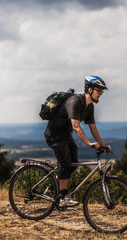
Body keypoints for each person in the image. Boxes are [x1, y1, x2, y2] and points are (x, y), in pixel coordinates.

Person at [44, 75, 112, 207]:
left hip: (65, 135)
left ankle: (51, 190)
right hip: (54, 134)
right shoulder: (75, 101)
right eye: (99, 90)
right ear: (90, 90)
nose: (101, 94)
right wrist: (89, 143)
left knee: (73, 164)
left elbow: (93, 128)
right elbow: (76, 127)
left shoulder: (89, 107)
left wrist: (103, 145)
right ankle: (63, 197)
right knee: (65, 163)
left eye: (102, 91)